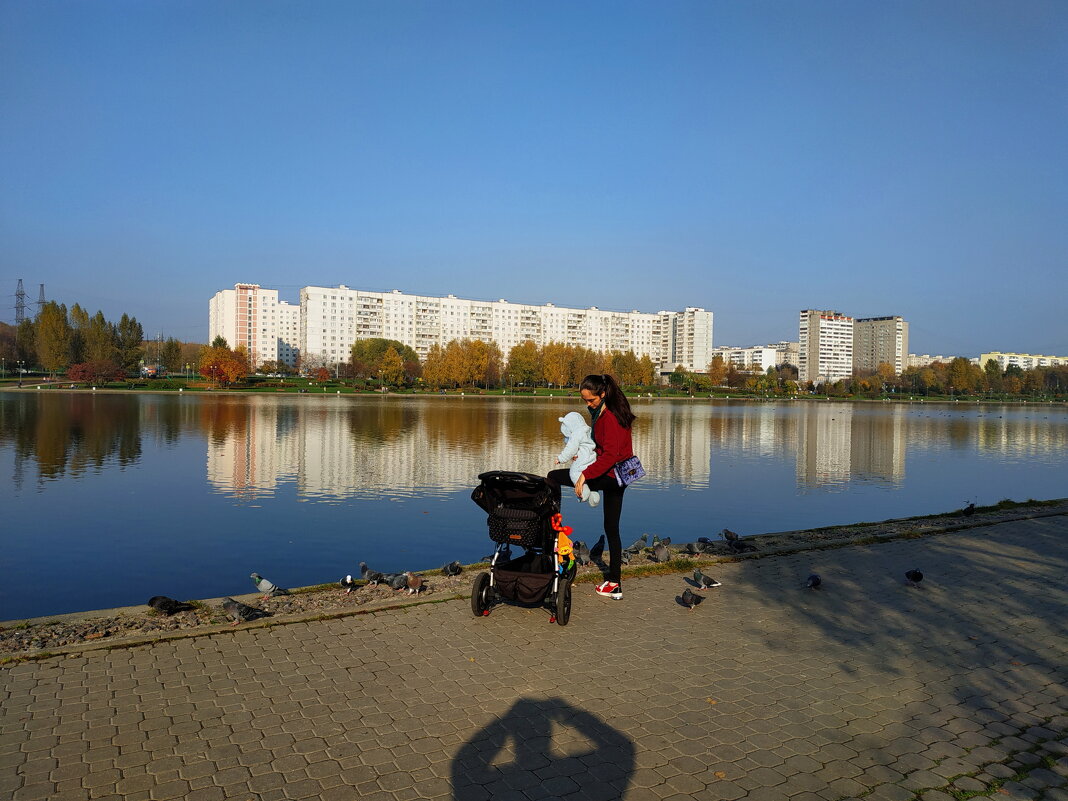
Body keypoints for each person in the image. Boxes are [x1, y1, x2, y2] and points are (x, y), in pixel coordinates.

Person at [546, 374, 636, 599]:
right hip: (620, 474)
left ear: (602, 394)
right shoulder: (609, 411)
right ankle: (615, 584)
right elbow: (603, 450)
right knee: (611, 527)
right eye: (585, 400)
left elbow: (609, 456)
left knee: (553, 476)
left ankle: (553, 525)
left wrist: (584, 475)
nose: (588, 405)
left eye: (591, 400)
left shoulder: (609, 418)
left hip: (612, 474)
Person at [554, 412, 601, 508]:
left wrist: (561, 459)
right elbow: (582, 445)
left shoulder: (576, 433)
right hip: (592, 459)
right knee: (590, 477)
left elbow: (571, 449)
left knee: (574, 473)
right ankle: (594, 496)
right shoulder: (589, 430)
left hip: (582, 460)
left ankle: (583, 492)